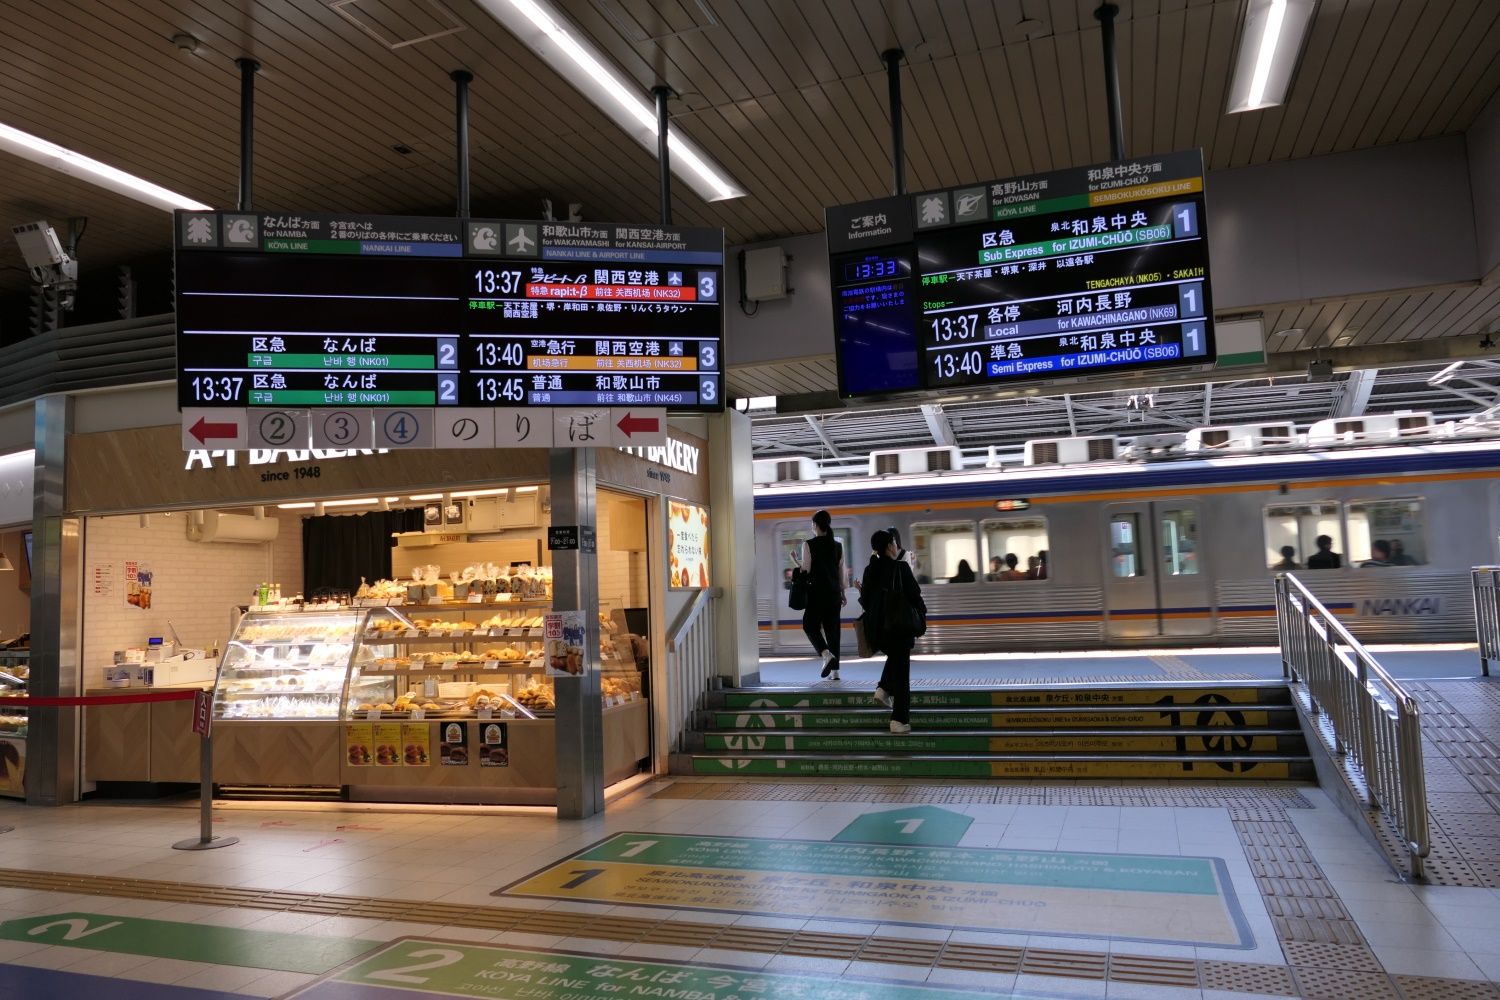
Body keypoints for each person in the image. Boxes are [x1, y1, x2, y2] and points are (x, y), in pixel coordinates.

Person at [861, 529, 926, 734]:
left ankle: (883, 688)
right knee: (902, 676)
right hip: (898, 627)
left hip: (877, 632)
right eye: (894, 543)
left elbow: (864, 601)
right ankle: (898, 720)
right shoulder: (901, 567)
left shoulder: (868, 570)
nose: (896, 546)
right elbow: (915, 595)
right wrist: (921, 613)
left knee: (896, 659)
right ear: (890, 546)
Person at [795, 509, 846, 680]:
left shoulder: (808, 545)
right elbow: (841, 572)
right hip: (834, 595)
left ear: (815, 525)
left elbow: (806, 570)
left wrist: (796, 562)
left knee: (809, 625)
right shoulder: (837, 546)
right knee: (833, 632)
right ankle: (835, 672)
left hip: (816, 594)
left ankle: (825, 654)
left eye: (812, 524)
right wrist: (843, 592)